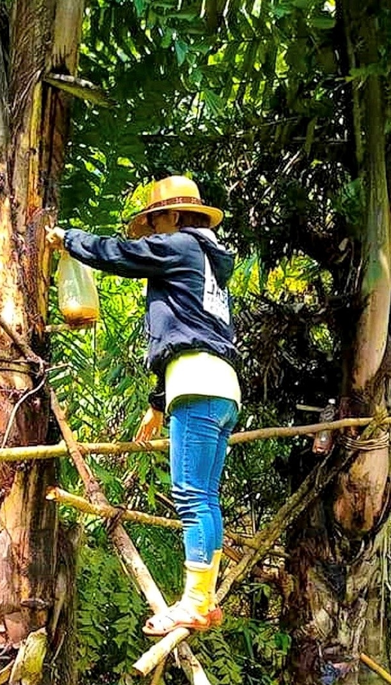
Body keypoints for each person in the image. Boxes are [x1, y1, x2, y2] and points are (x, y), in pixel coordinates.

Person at [46, 175, 241, 637]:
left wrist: (68, 239)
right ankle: (204, 599)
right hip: (221, 386)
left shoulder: (183, 246)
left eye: (155, 223)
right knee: (206, 498)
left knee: (191, 496)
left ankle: (193, 602)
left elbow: (122, 255)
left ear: (175, 216)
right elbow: (190, 333)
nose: (153, 234)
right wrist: (158, 402)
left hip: (196, 384)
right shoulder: (209, 264)